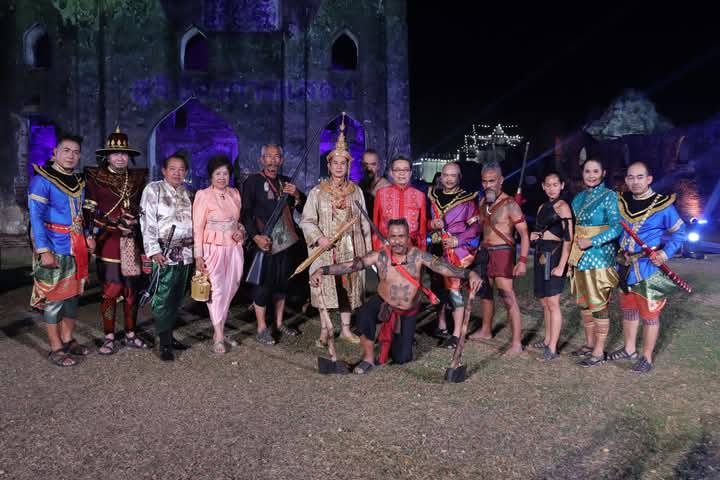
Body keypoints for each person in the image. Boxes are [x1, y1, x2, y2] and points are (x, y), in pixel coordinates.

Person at [310, 219, 483, 373]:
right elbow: (351, 266)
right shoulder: (380, 256)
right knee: (364, 315)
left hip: (407, 311)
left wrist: (469, 274)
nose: (397, 241)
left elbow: (443, 267)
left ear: (408, 237)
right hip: (383, 302)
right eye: (393, 236)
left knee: (402, 358)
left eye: (401, 236)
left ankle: (394, 339)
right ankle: (368, 359)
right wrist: (322, 270)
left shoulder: (419, 256)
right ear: (388, 237)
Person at [607, 161, 685, 373]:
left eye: (640, 177)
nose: (635, 181)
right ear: (626, 180)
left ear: (649, 179)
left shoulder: (662, 205)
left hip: (649, 269)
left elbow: (679, 233)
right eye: (631, 177)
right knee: (629, 311)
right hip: (624, 268)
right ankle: (629, 349)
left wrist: (664, 254)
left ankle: (647, 357)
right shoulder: (621, 202)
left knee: (650, 315)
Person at [300, 116, 372, 346]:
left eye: (343, 163)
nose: (339, 167)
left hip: (350, 248)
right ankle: (325, 329)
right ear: (329, 165)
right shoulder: (317, 192)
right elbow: (307, 220)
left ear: (348, 166)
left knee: (347, 288)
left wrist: (367, 252)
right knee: (323, 287)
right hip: (325, 248)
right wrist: (319, 238)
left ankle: (346, 329)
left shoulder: (356, 191)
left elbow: (364, 223)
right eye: (335, 163)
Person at [29, 134, 92, 366]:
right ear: (55, 152)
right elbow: (35, 217)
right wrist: (43, 250)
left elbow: (83, 215)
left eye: (76, 152)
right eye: (66, 150)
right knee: (55, 300)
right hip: (53, 246)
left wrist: (88, 236)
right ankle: (56, 347)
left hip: (77, 247)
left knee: (72, 298)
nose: (71, 156)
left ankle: (68, 339)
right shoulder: (42, 180)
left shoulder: (78, 181)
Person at [84, 127, 148, 354]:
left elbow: (143, 208)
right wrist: (110, 223)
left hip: (132, 242)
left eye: (124, 153)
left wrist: (136, 220)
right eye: (115, 153)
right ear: (107, 156)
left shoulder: (138, 178)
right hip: (108, 242)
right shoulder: (95, 178)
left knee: (131, 292)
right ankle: (109, 336)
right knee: (111, 291)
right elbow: (89, 211)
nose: (120, 157)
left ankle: (131, 333)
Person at [241, 144, 305, 345]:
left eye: (277, 156)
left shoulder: (286, 182)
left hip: (285, 243)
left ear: (282, 160)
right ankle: (261, 328)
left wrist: (297, 195)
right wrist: (256, 237)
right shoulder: (252, 181)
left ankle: (279, 323)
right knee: (263, 285)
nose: (272, 160)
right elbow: (245, 213)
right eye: (268, 156)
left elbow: (302, 207)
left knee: (282, 283)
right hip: (264, 242)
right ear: (262, 160)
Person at [467, 161, 530, 356]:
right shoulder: (483, 202)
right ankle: (486, 330)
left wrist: (522, 261)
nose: (488, 185)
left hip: (503, 251)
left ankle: (516, 343)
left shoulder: (510, 204)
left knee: (507, 295)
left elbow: (524, 234)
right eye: (485, 181)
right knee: (485, 293)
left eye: (492, 181)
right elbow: (482, 226)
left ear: (501, 180)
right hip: (485, 252)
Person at [140, 153, 194, 361]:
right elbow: (147, 221)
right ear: (164, 170)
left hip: (186, 253)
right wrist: (153, 249)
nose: (177, 173)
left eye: (181, 169)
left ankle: (169, 335)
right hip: (164, 252)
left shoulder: (188, 193)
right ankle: (164, 342)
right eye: (172, 169)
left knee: (177, 296)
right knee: (163, 296)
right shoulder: (153, 189)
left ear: (186, 172)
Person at [568, 158, 622, 367]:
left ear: (603, 173)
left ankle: (598, 352)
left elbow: (617, 227)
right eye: (587, 171)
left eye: (595, 171)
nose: (591, 175)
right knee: (584, 303)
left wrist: (592, 241)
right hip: (579, 256)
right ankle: (589, 344)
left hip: (599, 256)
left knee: (598, 304)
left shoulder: (609, 196)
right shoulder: (578, 198)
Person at [193, 155, 246, 354]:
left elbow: (238, 222)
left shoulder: (235, 194)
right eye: (218, 174)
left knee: (231, 287)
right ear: (211, 176)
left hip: (233, 248)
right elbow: (197, 228)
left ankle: (219, 331)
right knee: (216, 290)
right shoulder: (203, 195)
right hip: (212, 249)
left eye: (225, 173)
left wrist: (241, 231)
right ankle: (219, 336)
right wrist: (198, 256)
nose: (222, 177)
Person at [427, 162, 479, 349]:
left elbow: (475, 227)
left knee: (454, 290)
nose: (449, 179)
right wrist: (432, 224)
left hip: (456, 252)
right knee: (437, 288)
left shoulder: (467, 199)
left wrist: (458, 240)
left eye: (453, 175)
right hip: (436, 249)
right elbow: (425, 222)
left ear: (459, 177)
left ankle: (456, 334)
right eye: (446, 175)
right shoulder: (433, 195)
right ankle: (441, 325)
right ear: (441, 176)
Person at [529, 172, 574, 361]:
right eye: (548, 185)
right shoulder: (542, 207)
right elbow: (541, 231)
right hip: (541, 255)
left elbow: (568, 239)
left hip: (555, 256)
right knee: (544, 301)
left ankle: (552, 348)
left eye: (555, 184)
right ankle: (547, 339)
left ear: (562, 185)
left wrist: (562, 265)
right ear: (543, 186)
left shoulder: (563, 206)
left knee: (553, 303)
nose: (551, 188)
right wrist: (534, 236)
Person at [372, 155, 427, 251]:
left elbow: (422, 230)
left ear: (410, 173)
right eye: (397, 170)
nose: (402, 173)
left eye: (405, 170)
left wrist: (422, 252)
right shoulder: (381, 194)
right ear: (391, 173)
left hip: (411, 249)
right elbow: (375, 226)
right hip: (386, 248)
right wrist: (377, 248)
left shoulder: (420, 196)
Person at [358, 149, 390, 215]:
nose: (369, 168)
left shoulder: (385, 187)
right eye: (366, 164)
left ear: (378, 166)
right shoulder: (360, 184)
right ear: (362, 165)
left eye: (373, 164)